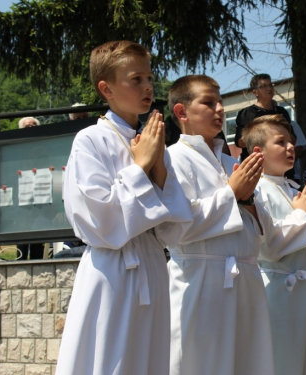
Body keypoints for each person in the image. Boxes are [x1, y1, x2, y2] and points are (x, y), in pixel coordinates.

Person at [56, 40, 192, 375]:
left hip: (151, 264)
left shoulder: (150, 138)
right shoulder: (90, 140)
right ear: (107, 88)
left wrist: (158, 170)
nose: (148, 86)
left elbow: (173, 228)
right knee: (110, 360)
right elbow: (97, 221)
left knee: (149, 360)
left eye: (149, 78)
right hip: (114, 270)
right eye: (136, 79)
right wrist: (139, 168)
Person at [166, 74, 284, 375]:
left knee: (248, 361)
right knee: (202, 363)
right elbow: (177, 226)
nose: (219, 109)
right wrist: (232, 193)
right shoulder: (174, 158)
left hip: (244, 274)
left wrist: (245, 200)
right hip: (201, 277)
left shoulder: (232, 162)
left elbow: (260, 230)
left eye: (221, 102)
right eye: (208, 102)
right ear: (182, 112)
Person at [242, 114, 306, 375]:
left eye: (291, 141)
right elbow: (267, 248)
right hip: (277, 292)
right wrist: (303, 215)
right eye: (281, 142)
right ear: (258, 151)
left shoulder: (293, 188)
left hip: (304, 290)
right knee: (281, 361)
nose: (291, 147)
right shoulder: (255, 190)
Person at [235, 73, 295, 162]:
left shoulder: (282, 112)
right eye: (263, 86)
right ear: (255, 92)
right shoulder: (246, 113)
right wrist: (267, 135)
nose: (269, 88)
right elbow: (240, 142)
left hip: (281, 164)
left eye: (270, 85)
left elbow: (293, 139)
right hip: (257, 166)